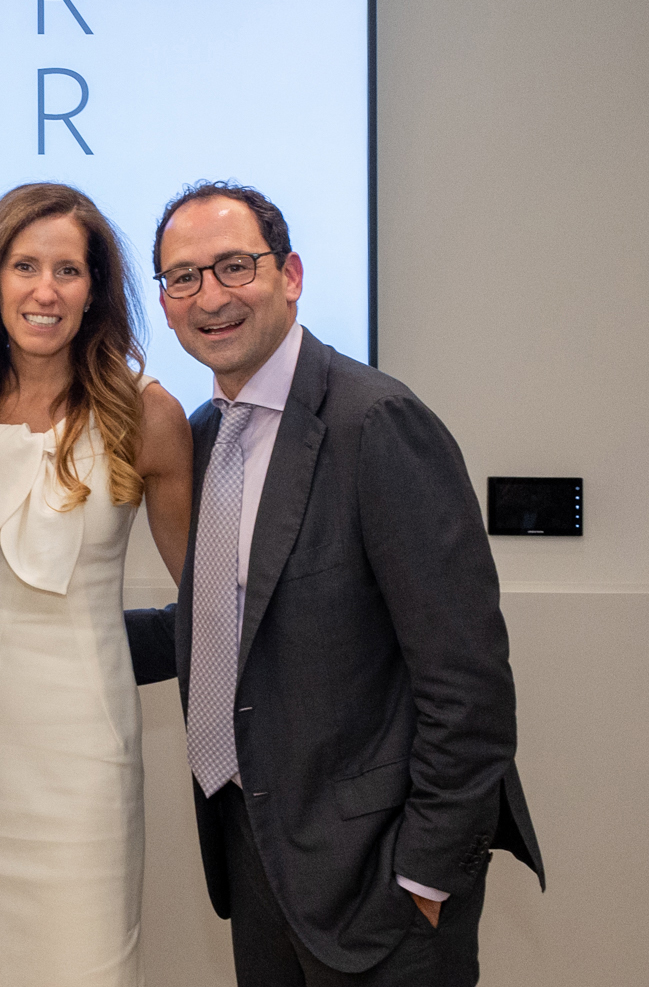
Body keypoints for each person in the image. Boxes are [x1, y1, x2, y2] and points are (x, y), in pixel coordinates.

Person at [125, 181, 544, 985]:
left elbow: (467, 678)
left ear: (290, 275)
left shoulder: (374, 422)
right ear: (165, 304)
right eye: (183, 277)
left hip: (377, 873)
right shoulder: (205, 437)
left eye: (233, 266)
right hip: (256, 852)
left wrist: (425, 873)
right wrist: (55, 638)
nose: (209, 297)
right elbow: (231, 621)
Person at [0, 182, 193, 986]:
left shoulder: (148, 416)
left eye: (67, 270)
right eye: (24, 265)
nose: (44, 289)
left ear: (94, 289)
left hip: (82, 754)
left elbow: (211, 602)